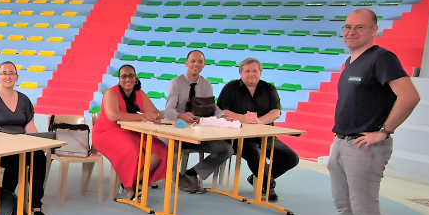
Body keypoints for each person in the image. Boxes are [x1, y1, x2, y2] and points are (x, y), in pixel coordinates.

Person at [304, 9, 420, 215]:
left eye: (359, 27)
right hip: (342, 141)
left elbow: (410, 96)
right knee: (344, 205)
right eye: (347, 27)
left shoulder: (382, 59)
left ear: (373, 30)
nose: (350, 32)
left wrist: (384, 131)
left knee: (366, 212)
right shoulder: (351, 62)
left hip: (364, 146)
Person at [217, 58, 300, 202]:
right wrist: (242, 118)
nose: (251, 74)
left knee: (291, 158)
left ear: (260, 73)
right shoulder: (231, 87)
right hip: (239, 137)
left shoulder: (269, 88)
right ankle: (268, 185)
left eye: (255, 71)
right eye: (247, 71)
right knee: (255, 154)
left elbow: (276, 112)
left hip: (265, 136)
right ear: (241, 73)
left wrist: (260, 121)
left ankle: (258, 178)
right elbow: (222, 110)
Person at [0, 61, 48, 215]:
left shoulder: (24, 100)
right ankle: (6, 202)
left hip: (20, 146)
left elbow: (30, 126)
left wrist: (39, 144)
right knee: (16, 159)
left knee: (39, 157)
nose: (8, 76)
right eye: (4, 73)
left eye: (11, 73)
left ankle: (35, 203)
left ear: (17, 77)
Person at [164, 50, 234, 194]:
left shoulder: (206, 84)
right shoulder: (176, 82)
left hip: (199, 133)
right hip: (178, 133)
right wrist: (180, 116)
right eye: (193, 61)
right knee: (170, 147)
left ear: (204, 65)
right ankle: (176, 179)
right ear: (186, 63)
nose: (196, 64)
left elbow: (211, 107)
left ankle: (191, 174)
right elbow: (168, 111)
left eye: (200, 62)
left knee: (227, 149)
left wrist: (222, 117)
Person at [93, 65, 167, 200]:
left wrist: (154, 114)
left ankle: (132, 181)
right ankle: (130, 188)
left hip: (130, 132)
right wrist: (142, 117)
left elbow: (154, 111)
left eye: (131, 75)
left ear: (135, 78)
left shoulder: (139, 93)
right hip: (106, 132)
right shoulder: (111, 93)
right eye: (124, 76)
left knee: (160, 149)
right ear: (119, 79)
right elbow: (113, 116)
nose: (128, 79)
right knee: (132, 150)